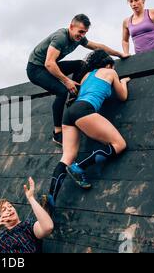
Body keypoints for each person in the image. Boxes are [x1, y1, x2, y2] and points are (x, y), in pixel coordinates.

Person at [27, 14, 128, 146]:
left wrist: (119, 54)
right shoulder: (61, 38)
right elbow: (49, 63)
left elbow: (98, 47)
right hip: (36, 69)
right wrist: (67, 81)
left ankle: (74, 97)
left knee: (80, 64)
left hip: (48, 66)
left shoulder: (79, 38)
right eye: (80, 32)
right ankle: (57, 133)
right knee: (62, 91)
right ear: (71, 27)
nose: (81, 35)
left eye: (84, 33)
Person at [47, 50, 131, 206]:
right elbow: (122, 97)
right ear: (108, 64)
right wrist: (123, 82)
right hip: (84, 110)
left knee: (67, 157)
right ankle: (80, 167)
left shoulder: (86, 76)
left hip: (70, 113)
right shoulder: (110, 72)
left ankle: (50, 199)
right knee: (119, 144)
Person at [0, 177, 54, 253]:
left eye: (10, 206)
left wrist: (31, 198)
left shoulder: (28, 226)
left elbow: (48, 227)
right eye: (4, 209)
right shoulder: (0, 240)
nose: (9, 209)